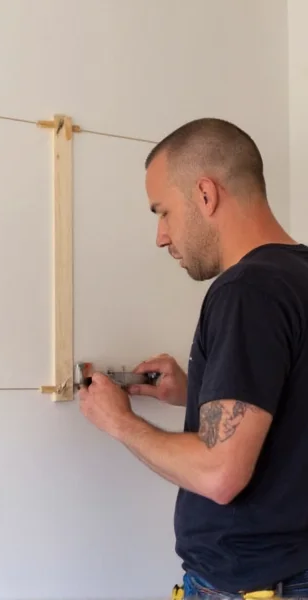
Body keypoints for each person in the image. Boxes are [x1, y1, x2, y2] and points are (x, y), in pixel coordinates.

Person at [78, 117, 308, 598]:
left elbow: (219, 473)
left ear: (205, 195)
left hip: (256, 586)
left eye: (162, 211)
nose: (161, 236)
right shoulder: (295, 277)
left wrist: (119, 421)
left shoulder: (247, 291)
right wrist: (195, 391)